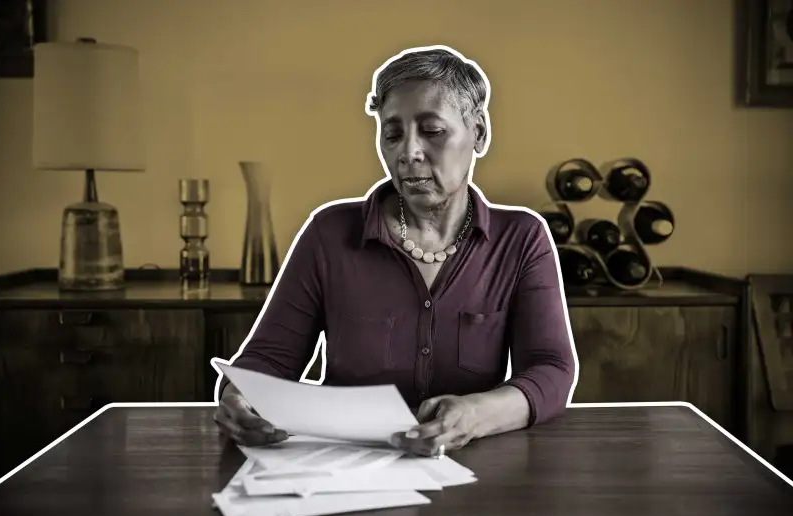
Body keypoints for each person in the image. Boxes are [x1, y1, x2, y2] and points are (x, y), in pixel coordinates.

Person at [214, 45, 578, 457]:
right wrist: (238, 396)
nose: (408, 153)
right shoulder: (330, 234)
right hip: (340, 469)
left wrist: (474, 416)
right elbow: (269, 360)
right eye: (392, 134)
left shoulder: (522, 239)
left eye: (432, 131)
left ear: (478, 132)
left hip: (473, 468)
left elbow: (551, 370)